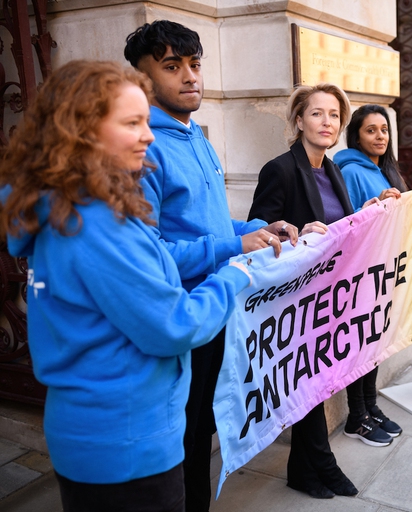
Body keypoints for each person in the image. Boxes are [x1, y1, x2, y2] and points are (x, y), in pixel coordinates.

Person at [0, 60, 254, 511]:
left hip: (96, 436)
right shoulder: (97, 223)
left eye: (146, 121)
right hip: (127, 445)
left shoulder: (66, 205)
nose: (149, 135)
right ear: (83, 130)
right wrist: (236, 274)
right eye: (132, 123)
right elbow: (175, 325)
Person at [123, 21, 297, 512]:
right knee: (181, 444)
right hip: (180, 319)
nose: (190, 76)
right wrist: (233, 245)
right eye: (172, 66)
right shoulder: (142, 150)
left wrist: (260, 227)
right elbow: (151, 255)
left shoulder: (195, 135)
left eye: (195, 64)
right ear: (140, 78)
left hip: (217, 310)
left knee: (202, 435)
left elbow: (210, 223)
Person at [248, 83, 369, 499]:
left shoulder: (333, 170)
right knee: (307, 383)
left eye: (334, 115)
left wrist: (371, 213)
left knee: (319, 381)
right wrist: (298, 235)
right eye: (317, 113)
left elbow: (340, 228)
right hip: (295, 300)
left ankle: (302, 469)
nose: (326, 122)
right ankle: (324, 464)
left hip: (329, 295)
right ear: (299, 121)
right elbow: (258, 235)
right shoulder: (280, 170)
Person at [334, 104, 412, 446]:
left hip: (385, 269)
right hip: (362, 271)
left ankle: (371, 407)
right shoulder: (350, 170)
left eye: (384, 130)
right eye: (371, 130)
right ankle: (356, 416)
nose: (380, 136)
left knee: (375, 342)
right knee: (360, 345)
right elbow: (346, 221)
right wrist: (380, 202)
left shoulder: (384, 169)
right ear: (356, 136)